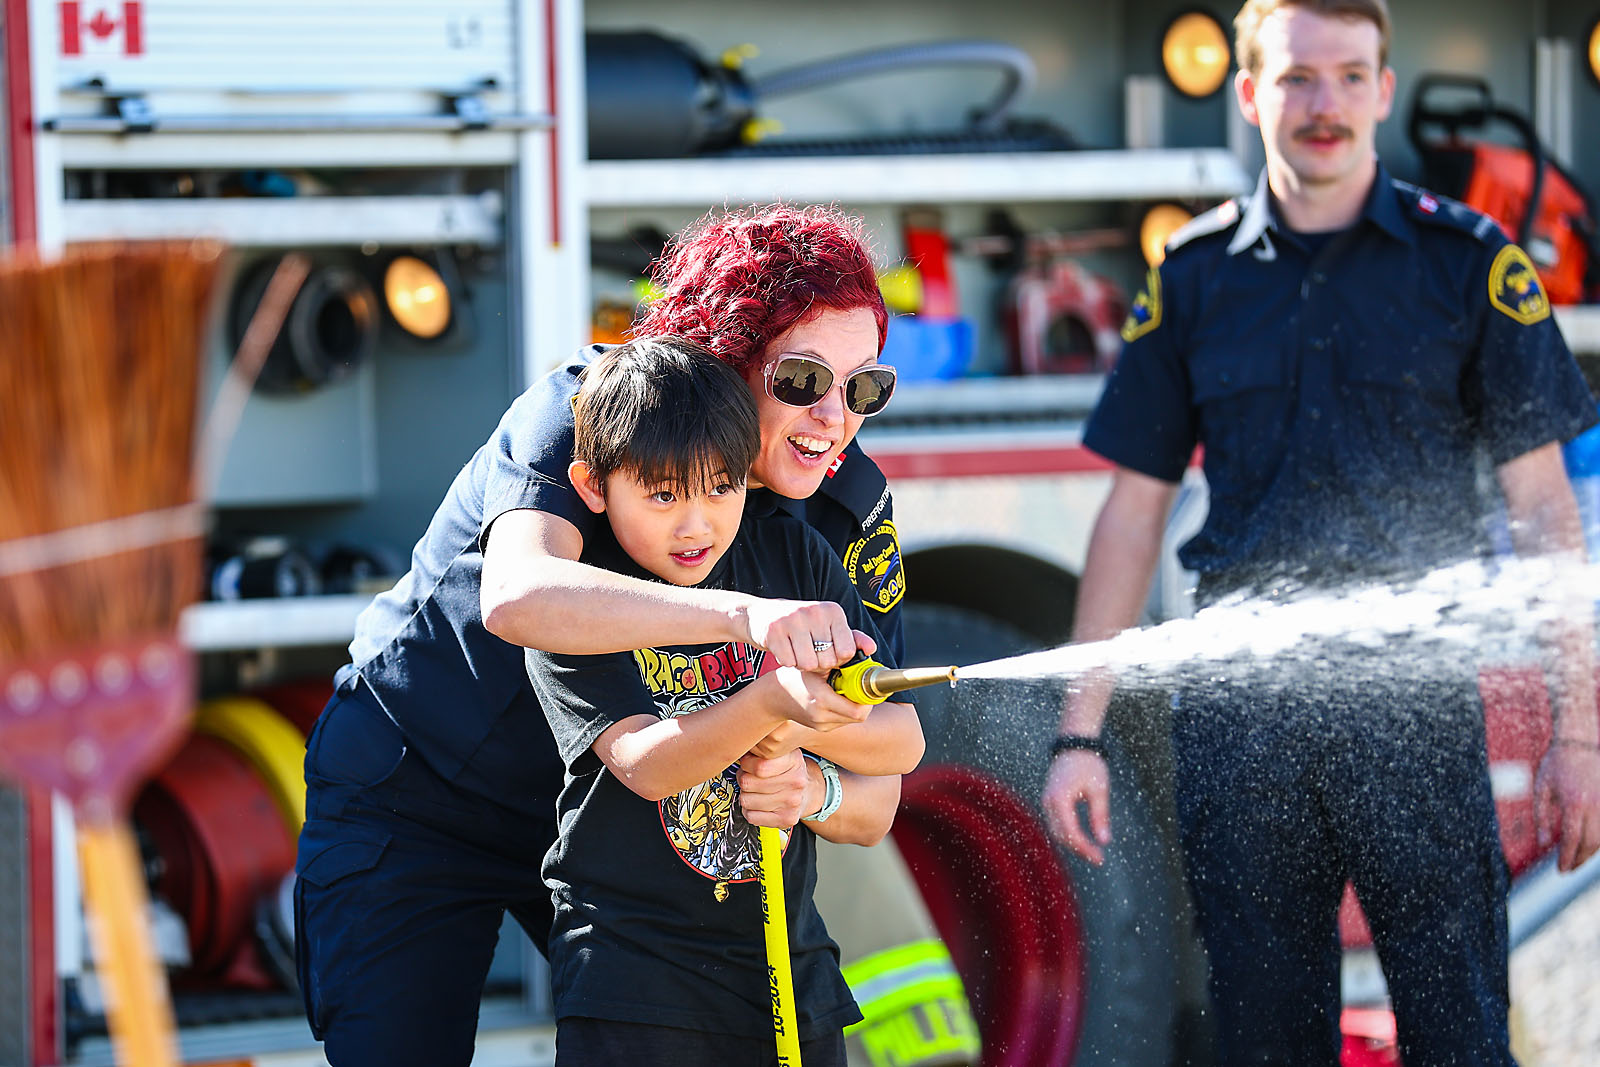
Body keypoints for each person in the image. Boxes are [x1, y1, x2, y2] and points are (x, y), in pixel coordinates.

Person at [1041, 1, 1600, 1063]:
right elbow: (1132, 511)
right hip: (1241, 726)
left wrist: (1580, 735)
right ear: (1250, 94)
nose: (1324, 103)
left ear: (1384, 90)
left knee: (1460, 1038)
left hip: (1415, 713)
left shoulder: (1467, 262)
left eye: (1349, 75)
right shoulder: (1193, 276)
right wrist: (1080, 733)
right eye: (1297, 77)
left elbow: (1542, 510)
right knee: (1261, 1045)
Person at [295, 204, 915, 1066]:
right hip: (422, 791)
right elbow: (519, 594)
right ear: (728, 356)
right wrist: (744, 617)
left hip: (606, 827)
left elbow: (881, 770)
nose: (836, 418)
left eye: (866, 388)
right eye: (805, 380)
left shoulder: (841, 510)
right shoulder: (593, 407)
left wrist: (814, 786)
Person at [526, 337, 922, 1065]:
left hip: (791, 973)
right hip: (636, 986)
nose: (696, 523)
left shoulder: (794, 556)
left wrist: (810, 775)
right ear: (593, 486)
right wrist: (770, 702)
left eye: (720, 487)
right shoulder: (587, 600)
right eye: (663, 494)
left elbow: (903, 741)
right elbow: (646, 764)